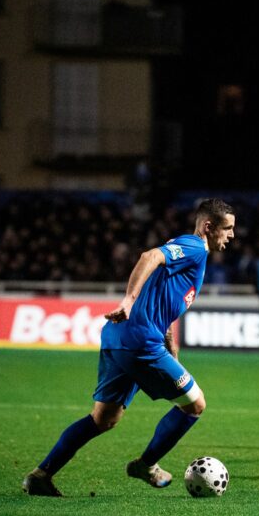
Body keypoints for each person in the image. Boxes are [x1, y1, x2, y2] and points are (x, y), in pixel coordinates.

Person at [22, 198, 236, 497]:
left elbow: (164, 300)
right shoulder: (194, 247)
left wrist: (170, 344)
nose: (231, 235)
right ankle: (146, 465)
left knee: (103, 419)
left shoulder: (190, 255)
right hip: (139, 342)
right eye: (227, 229)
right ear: (209, 227)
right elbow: (149, 257)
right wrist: (128, 300)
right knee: (195, 404)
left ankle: (40, 476)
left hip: (119, 339)